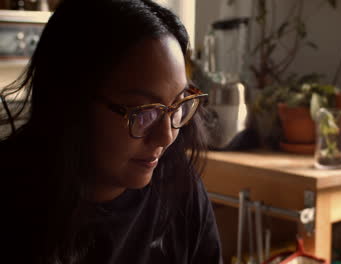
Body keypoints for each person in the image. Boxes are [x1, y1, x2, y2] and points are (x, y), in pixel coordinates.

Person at [0, 0, 222, 263]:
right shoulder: (11, 204)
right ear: (71, 104)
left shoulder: (178, 187)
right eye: (143, 111)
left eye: (177, 105)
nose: (166, 137)